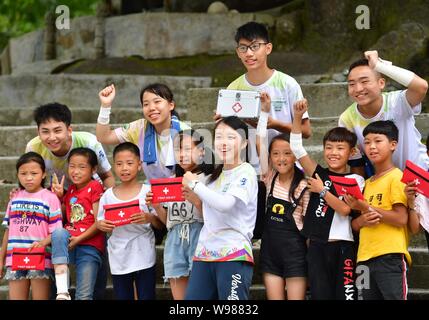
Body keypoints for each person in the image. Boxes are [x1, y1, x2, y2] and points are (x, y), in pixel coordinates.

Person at [291, 99, 364, 300]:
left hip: (344, 247)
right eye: (329, 147)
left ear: (351, 153)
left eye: (340, 148)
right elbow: (296, 148)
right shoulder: (319, 174)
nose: (333, 153)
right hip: (317, 246)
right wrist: (298, 117)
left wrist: (322, 191)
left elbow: (344, 209)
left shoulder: (355, 179)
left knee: (346, 296)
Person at [183, 116, 258, 300]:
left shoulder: (246, 171)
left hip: (233, 253)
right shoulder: (212, 176)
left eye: (231, 137)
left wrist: (195, 186)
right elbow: (211, 214)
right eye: (219, 137)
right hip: (204, 253)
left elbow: (226, 205)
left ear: (244, 143)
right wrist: (198, 200)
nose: (224, 143)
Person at [222, 21, 311, 171]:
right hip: (247, 168)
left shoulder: (287, 84)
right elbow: (230, 134)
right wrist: (223, 123)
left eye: (255, 46)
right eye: (243, 48)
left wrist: (273, 124)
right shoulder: (233, 88)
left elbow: (307, 131)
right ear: (238, 52)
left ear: (268, 48)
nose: (249, 53)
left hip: (286, 167)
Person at [145, 129, 213, 300]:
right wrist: (156, 205)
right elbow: (169, 220)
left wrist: (197, 201)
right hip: (175, 240)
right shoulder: (172, 180)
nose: (182, 154)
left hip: (200, 237)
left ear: (202, 151)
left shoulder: (209, 178)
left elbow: (215, 219)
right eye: (178, 150)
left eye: (188, 149)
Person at [345, 120, 409, 300]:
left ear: (393, 144)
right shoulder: (366, 183)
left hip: (390, 256)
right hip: (363, 259)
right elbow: (356, 225)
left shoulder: (397, 177)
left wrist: (366, 207)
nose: (371, 146)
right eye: (366, 142)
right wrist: (360, 220)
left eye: (378, 141)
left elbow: (401, 219)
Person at [339, 50, 429, 178]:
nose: (358, 89)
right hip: (384, 185)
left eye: (364, 81)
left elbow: (421, 86)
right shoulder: (347, 119)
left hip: (419, 177)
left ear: (381, 83)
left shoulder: (398, 102)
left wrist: (380, 66)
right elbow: (356, 162)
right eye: (352, 84)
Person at [255, 92, 310, 300]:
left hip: (296, 252)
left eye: (287, 153)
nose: (281, 158)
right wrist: (264, 112)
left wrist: (297, 117)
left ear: (295, 155)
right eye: (276, 153)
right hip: (271, 250)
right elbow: (260, 143)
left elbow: (307, 225)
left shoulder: (304, 185)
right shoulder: (269, 177)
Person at [97, 142, 164, 300]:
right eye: (119, 164)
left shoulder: (148, 192)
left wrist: (148, 218)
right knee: (122, 295)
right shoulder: (107, 195)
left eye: (129, 163)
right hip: (118, 255)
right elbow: (100, 222)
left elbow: (161, 223)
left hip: (144, 253)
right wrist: (103, 225)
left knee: (147, 295)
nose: (124, 168)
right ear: (114, 166)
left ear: (139, 165)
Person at [0, 152, 63, 300]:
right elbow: (8, 231)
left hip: (40, 259)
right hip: (14, 258)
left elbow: (57, 232)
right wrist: (1, 258)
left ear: (43, 174)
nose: (28, 178)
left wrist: (41, 243)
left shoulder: (50, 198)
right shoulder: (15, 198)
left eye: (34, 173)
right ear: (17, 175)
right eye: (23, 173)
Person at [96, 83, 190, 181]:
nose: (151, 108)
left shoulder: (185, 132)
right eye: (146, 104)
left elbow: (196, 171)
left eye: (157, 101)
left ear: (171, 105)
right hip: (151, 190)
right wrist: (105, 106)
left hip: (182, 188)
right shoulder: (139, 128)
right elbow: (103, 137)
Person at [50, 148, 105, 300]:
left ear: (93, 169)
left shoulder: (94, 187)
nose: (76, 171)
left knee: (84, 295)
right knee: (58, 232)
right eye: (72, 166)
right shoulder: (72, 190)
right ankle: (62, 291)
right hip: (70, 244)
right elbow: (61, 217)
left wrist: (79, 239)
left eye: (82, 167)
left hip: (89, 246)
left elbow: (99, 222)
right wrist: (59, 197)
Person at [26, 103, 114, 189]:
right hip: (58, 194)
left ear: (69, 130)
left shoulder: (89, 142)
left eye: (57, 131)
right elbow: (32, 180)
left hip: (90, 193)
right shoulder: (33, 148)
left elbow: (107, 176)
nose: (52, 138)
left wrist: (108, 199)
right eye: (45, 131)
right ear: (38, 133)